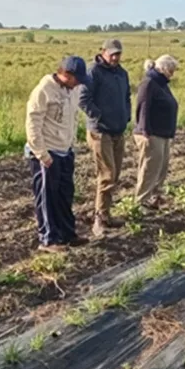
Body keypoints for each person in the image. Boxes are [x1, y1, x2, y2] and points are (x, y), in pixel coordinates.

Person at [25, 56, 92, 253]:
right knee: (47, 197)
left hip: (65, 150)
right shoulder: (43, 91)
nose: (79, 83)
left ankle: (67, 234)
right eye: (76, 79)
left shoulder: (72, 89)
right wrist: (42, 154)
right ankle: (48, 239)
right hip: (47, 153)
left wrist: (71, 145)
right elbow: (33, 123)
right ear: (66, 74)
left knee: (65, 195)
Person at [80, 39, 132, 239]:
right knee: (107, 174)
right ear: (103, 52)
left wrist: (126, 115)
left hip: (118, 130)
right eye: (112, 54)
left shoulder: (122, 73)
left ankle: (107, 214)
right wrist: (99, 116)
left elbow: (127, 96)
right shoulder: (94, 72)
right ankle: (99, 218)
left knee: (115, 174)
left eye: (118, 53)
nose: (116, 57)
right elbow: (83, 99)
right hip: (100, 131)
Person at [134, 55, 179, 209]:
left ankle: (155, 197)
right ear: (163, 68)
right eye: (171, 70)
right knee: (149, 168)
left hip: (163, 133)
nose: (172, 74)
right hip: (151, 133)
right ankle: (141, 201)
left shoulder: (161, 83)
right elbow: (143, 107)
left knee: (161, 167)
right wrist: (144, 130)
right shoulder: (149, 83)